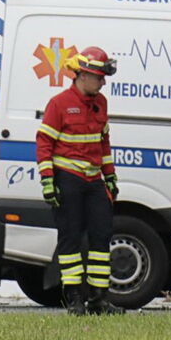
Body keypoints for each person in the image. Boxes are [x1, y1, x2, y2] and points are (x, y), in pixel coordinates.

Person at [36, 46, 122, 316]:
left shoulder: (101, 103)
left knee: (101, 237)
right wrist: (48, 181)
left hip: (93, 179)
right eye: (99, 77)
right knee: (70, 239)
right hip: (68, 178)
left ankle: (99, 299)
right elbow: (44, 143)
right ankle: (74, 298)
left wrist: (110, 177)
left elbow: (103, 142)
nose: (103, 82)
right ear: (83, 75)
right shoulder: (59, 103)